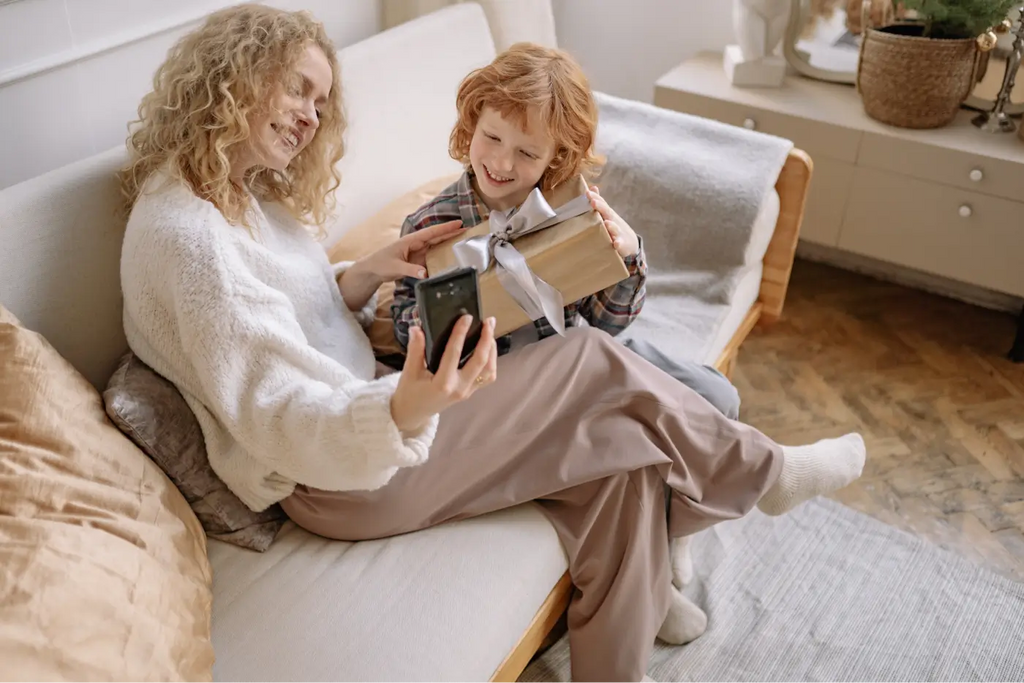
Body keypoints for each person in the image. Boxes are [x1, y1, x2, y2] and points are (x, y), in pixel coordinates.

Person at [117, 6, 866, 683]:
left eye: (320, 101)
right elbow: (278, 412)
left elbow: (282, 319)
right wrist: (402, 408)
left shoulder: (244, 192)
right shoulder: (187, 239)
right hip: (340, 470)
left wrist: (360, 275)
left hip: (366, 414)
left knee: (625, 468)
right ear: (234, 78)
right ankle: (761, 473)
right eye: (296, 91)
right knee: (590, 361)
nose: (311, 117)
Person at [389, 43, 743, 421]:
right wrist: (445, 314)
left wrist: (624, 254)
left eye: (527, 154)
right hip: (494, 387)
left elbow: (608, 323)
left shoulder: (569, 212)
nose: (502, 161)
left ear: (555, 157)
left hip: (575, 356)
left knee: (718, 396)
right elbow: (403, 329)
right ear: (473, 121)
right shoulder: (428, 227)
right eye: (492, 137)